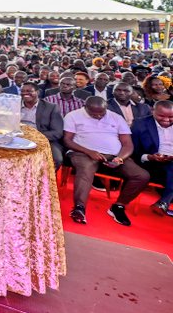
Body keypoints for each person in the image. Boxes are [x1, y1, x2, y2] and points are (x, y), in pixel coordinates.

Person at [63, 96, 147, 227]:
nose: (97, 116)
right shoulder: (73, 116)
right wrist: (89, 152)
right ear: (85, 108)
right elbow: (67, 140)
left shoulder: (117, 117)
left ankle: (118, 206)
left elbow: (127, 144)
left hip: (114, 155)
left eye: (101, 113)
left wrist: (119, 158)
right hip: (83, 153)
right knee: (85, 169)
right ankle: (79, 208)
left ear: (106, 108)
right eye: (93, 114)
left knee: (141, 176)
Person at [131, 100, 173, 217]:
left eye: (171, 117)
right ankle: (164, 201)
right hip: (150, 164)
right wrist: (149, 157)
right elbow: (133, 151)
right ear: (152, 111)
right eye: (161, 116)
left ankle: (164, 202)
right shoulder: (140, 124)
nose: (166, 120)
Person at [19, 83, 64, 169]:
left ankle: (44, 180)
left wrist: (35, 137)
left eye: (29, 91)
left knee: (56, 159)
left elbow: (57, 132)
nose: (25, 93)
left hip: (44, 138)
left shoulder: (51, 107)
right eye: (23, 91)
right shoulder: (14, 105)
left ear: (38, 92)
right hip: (18, 137)